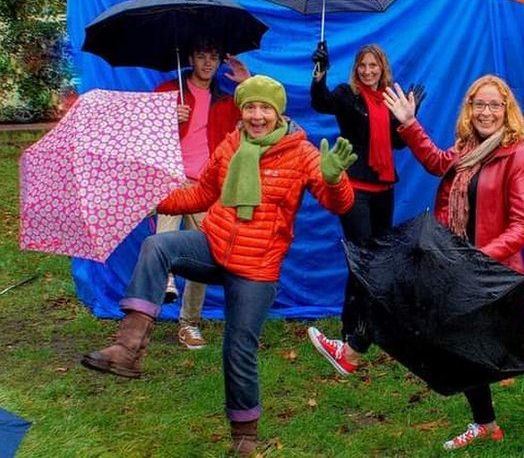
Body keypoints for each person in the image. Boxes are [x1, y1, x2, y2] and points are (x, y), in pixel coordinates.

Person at [81, 76, 357, 455]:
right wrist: (153, 201)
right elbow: (202, 193)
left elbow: (339, 204)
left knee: (238, 348)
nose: (257, 115)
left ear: (279, 113)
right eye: (250, 107)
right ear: (241, 110)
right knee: (157, 245)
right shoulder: (231, 145)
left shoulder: (301, 153)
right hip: (213, 246)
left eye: (265, 108)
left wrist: (334, 177)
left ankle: (245, 438)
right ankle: (128, 349)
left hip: (256, 268)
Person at [384, 75, 524, 451]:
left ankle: (355, 349)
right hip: (457, 262)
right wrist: (408, 123)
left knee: (462, 346)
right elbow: (438, 163)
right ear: (469, 110)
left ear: (508, 111)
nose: (486, 112)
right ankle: (486, 424)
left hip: (489, 273)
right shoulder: (466, 149)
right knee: (457, 344)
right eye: (479, 104)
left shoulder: (520, 156)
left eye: (494, 105)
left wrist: (474, 259)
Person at [305, 44, 422, 375]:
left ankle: (364, 331)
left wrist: (410, 118)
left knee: (379, 260)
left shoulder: (390, 100)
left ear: (383, 68)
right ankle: (350, 332)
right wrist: (319, 73)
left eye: (374, 66)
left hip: (384, 188)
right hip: (355, 188)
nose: (368, 71)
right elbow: (320, 102)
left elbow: (398, 143)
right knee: (361, 261)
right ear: (356, 69)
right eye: (363, 66)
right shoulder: (346, 94)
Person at [153, 37, 252, 350]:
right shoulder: (169, 92)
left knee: (202, 253)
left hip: (206, 185)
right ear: (190, 59)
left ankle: (189, 323)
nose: (207, 63)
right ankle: (164, 278)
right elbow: (145, 135)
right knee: (165, 231)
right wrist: (167, 119)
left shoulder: (225, 100)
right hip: (170, 178)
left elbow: (259, 115)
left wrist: (248, 82)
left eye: (213, 57)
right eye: (200, 56)